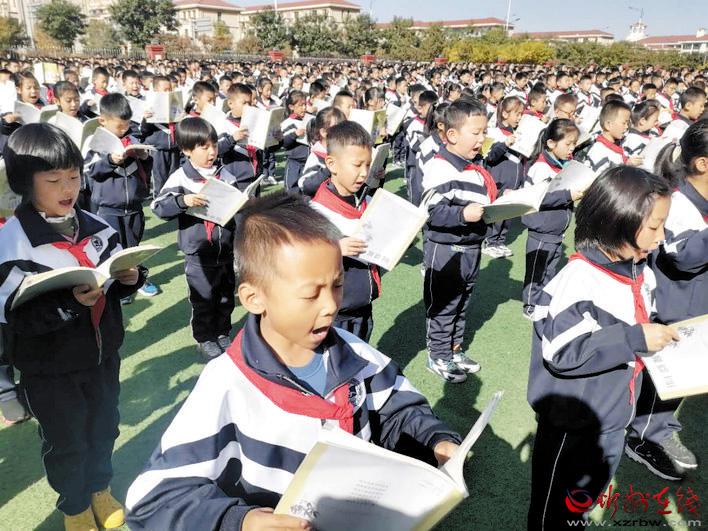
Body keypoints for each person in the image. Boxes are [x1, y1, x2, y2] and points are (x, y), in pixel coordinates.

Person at [125, 192, 461, 531]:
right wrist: (242, 521)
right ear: (254, 298)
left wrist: (435, 440)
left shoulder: (357, 354)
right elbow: (151, 500)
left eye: (337, 285)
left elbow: (397, 412)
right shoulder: (227, 383)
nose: (330, 305)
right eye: (311, 294)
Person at [0, 123, 146, 531]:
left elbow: (114, 277)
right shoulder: (12, 244)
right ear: (24, 183)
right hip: (49, 371)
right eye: (53, 180)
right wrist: (67, 305)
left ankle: (99, 488)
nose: (68, 188)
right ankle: (74, 505)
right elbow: (12, 317)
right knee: (66, 441)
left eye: (74, 176)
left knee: (104, 427)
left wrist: (130, 278)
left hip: (102, 357)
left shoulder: (97, 226)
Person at [527, 166, 679, 529]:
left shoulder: (639, 270)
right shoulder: (580, 279)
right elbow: (561, 352)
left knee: (584, 499)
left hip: (614, 419)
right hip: (573, 426)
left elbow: (643, 318)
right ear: (617, 222)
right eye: (654, 226)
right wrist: (634, 338)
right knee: (554, 511)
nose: (662, 235)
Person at [625, 119, 708, 480]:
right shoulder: (677, 202)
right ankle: (642, 438)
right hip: (675, 311)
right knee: (664, 382)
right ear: (702, 163)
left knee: (681, 380)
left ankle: (654, 429)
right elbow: (683, 257)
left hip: (697, 308)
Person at [421, 99, 496, 382]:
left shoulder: (473, 167)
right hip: (446, 250)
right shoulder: (440, 168)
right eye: (475, 133)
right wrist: (463, 214)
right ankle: (438, 356)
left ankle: (453, 350)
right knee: (445, 306)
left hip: (471, 248)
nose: (481, 139)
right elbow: (431, 211)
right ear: (452, 135)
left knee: (462, 304)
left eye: (484, 132)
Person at [151, 117, 238, 361]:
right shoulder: (181, 178)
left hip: (225, 250)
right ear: (187, 150)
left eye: (214, 145)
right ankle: (205, 337)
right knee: (203, 299)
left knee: (225, 297)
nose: (212, 152)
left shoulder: (224, 174)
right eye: (204, 147)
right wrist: (183, 201)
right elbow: (158, 207)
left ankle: (222, 332)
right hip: (198, 254)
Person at [84, 93, 159, 301]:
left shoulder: (132, 138)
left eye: (126, 125)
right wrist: (110, 161)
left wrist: (144, 158)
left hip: (134, 207)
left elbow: (145, 171)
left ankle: (135, 281)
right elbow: (90, 171)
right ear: (103, 120)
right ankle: (115, 286)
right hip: (109, 209)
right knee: (113, 250)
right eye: (119, 126)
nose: (124, 129)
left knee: (132, 249)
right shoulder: (95, 142)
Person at [310, 121, 380, 341]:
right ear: (332, 164)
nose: (364, 173)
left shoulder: (367, 200)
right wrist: (336, 248)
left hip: (363, 305)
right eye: (357, 165)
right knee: (332, 358)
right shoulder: (317, 211)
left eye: (368, 165)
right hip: (334, 312)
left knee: (361, 352)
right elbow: (302, 256)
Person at [521, 119, 584, 320]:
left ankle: (542, 302)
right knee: (536, 271)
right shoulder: (541, 167)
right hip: (541, 231)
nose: (571, 148)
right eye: (568, 143)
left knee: (549, 270)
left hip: (556, 231)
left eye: (574, 144)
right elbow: (539, 198)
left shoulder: (562, 165)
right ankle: (530, 304)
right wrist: (568, 195)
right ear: (551, 143)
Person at [484, 95, 525, 258]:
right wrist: (505, 144)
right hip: (498, 182)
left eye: (521, 114)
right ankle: (489, 242)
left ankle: (499, 241)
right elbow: (489, 156)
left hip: (513, 182)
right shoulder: (493, 132)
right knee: (497, 213)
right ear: (505, 114)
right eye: (517, 114)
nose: (520, 117)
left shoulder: (519, 133)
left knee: (508, 214)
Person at [298, 107, 346, 196]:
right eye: (338, 129)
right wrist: (328, 169)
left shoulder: (343, 153)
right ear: (323, 132)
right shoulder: (316, 157)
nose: (344, 134)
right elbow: (305, 186)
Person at [585, 100, 642, 174]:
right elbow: (603, 179)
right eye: (624, 123)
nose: (626, 127)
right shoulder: (599, 151)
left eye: (627, 123)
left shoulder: (617, 146)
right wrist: (626, 166)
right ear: (608, 125)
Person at [280, 90, 310, 190]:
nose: (304, 108)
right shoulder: (287, 123)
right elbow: (284, 143)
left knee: (306, 188)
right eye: (301, 105)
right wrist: (295, 134)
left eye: (305, 105)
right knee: (292, 189)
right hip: (294, 162)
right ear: (291, 107)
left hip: (308, 161)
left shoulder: (309, 120)